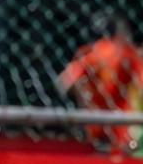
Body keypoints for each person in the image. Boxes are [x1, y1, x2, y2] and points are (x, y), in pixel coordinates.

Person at [56, 13, 142, 154]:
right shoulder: (128, 54)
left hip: (94, 125)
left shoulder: (91, 52)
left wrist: (85, 100)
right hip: (122, 129)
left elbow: (64, 82)